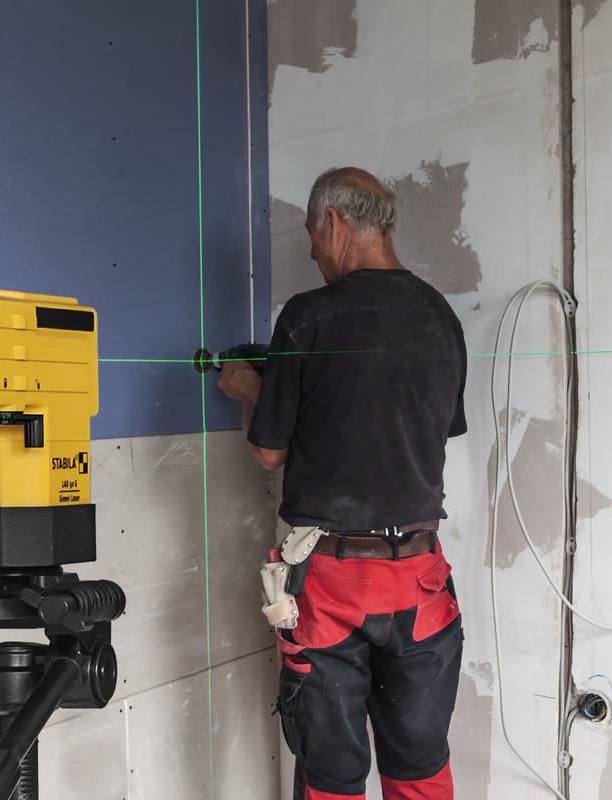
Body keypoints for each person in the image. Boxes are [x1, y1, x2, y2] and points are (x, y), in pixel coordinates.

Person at [218, 167, 468, 800]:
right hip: (420, 580)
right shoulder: (440, 316)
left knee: (332, 777)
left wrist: (253, 389)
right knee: (421, 770)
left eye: (309, 232)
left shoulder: (309, 316)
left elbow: (269, 456)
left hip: (331, 586)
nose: (309, 249)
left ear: (332, 222)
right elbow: (426, 432)